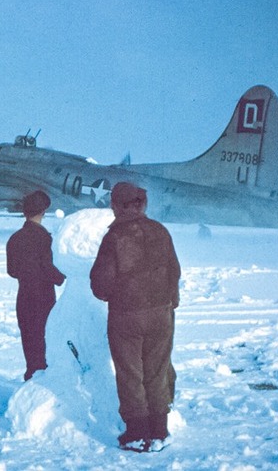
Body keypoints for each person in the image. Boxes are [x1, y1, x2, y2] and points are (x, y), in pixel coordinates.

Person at [90, 182, 180, 452]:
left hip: (127, 317)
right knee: (157, 371)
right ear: (142, 204)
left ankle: (138, 433)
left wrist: (110, 296)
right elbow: (174, 270)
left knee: (130, 374)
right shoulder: (161, 231)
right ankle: (160, 430)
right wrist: (168, 302)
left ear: (117, 205)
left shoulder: (115, 237)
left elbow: (101, 283)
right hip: (161, 315)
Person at [6, 190, 66, 381]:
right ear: (43, 212)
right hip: (44, 298)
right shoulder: (45, 238)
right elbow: (49, 267)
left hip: (24, 297)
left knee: (30, 344)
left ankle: (31, 378)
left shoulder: (14, 239)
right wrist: (61, 277)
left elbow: (12, 270)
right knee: (45, 344)